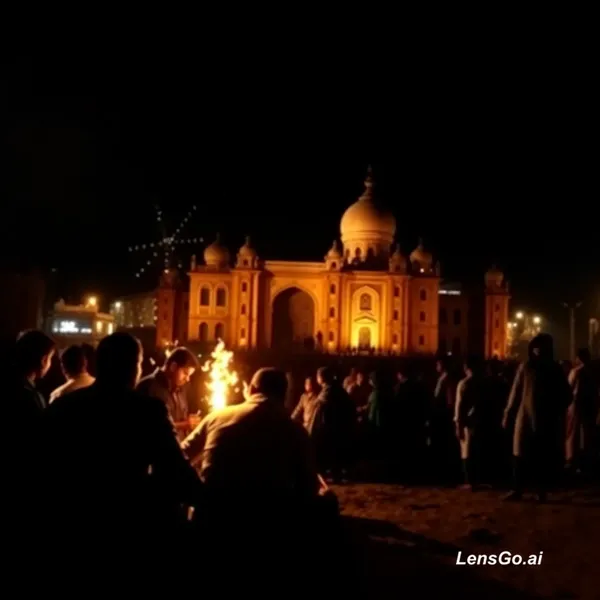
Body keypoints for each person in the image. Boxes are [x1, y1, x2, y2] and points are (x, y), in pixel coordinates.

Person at [38, 332, 202, 576]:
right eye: (139, 364)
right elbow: (176, 471)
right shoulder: (147, 411)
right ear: (133, 367)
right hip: (128, 528)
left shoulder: (64, 407)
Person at [502, 333, 571, 502]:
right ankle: (517, 489)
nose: (538, 349)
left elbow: (567, 395)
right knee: (519, 454)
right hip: (524, 416)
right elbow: (515, 391)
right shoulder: (526, 367)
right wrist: (508, 413)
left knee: (542, 456)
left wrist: (555, 411)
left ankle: (541, 490)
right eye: (536, 346)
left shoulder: (554, 369)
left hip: (546, 420)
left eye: (542, 346)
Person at [137, 346, 198, 436]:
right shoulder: (148, 387)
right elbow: (148, 426)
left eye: (189, 375)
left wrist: (190, 422)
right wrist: (184, 425)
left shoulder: (181, 389)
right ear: (173, 367)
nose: (187, 379)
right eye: (185, 373)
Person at [454, 355, 485, 489]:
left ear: (466, 367)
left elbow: (459, 405)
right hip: (479, 420)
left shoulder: (464, 383)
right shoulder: (483, 383)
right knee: (477, 450)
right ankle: (476, 479)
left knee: (466, 451)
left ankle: (469, 481)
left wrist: (458, 424)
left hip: (467, 422)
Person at [566, 348, 598, 473]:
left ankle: (572, 459)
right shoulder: (593, 372)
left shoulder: (576, 372)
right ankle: (586, 460)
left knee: (573, 433)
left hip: (576, 405)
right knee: (586, 433)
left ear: (578, 358)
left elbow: (568, 388)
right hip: (589, 405)